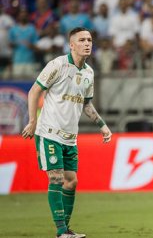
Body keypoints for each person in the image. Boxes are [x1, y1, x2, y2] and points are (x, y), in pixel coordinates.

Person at [21, 27, 113, 238]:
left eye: (90, 39)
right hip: (49, 132)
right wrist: (32, 121)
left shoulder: (89, 73)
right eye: (82, 40)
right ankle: (61, 231)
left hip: (70, 138)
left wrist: (102, 125)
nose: (87, 43)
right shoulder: (57, 65)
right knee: (56, 178)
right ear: (72, 45)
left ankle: (67, 230)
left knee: (71, 181)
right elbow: (35, 90)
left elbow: (86, 104)